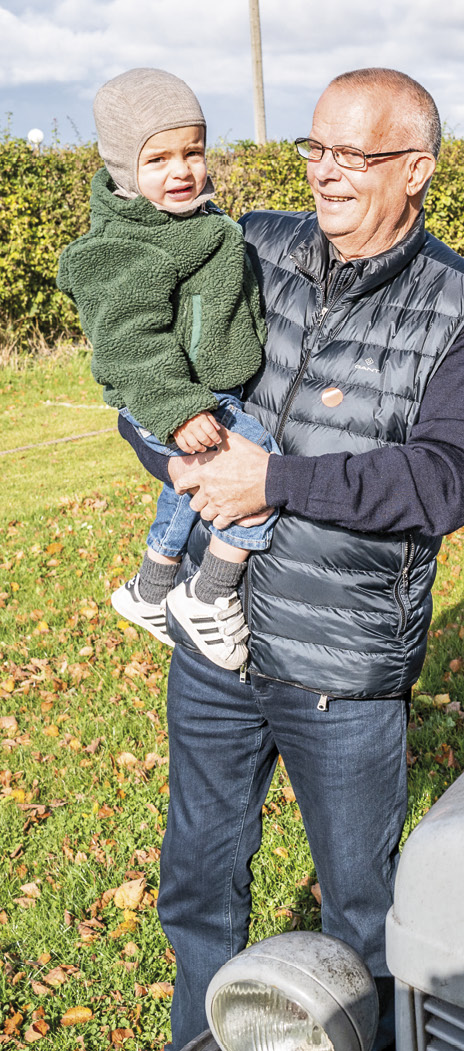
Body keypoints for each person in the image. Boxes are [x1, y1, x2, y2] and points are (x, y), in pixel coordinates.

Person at [116, 68, 464, 1051]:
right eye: (315, 149)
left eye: (357, 154)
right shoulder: (249, 246)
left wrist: (277, 482)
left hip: (341, 662)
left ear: (417, 170)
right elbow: (143, 365)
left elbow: (446, 480)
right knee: (198, 884)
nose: (327, 174)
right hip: (213, 640)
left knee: (362, 910)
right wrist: (176, 454)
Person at [56, 68, 279, 672]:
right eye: (157, 159)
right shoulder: (125, 246)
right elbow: (128, 342)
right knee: (255, 465)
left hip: (193, 393)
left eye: (193, 152)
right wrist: (178, 410)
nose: (181, 170)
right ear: (127, 172)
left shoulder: (189, 222)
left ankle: (150, 590)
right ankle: (211, 595)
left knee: (184, 487)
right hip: (168, 397)